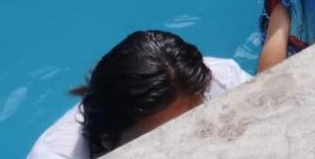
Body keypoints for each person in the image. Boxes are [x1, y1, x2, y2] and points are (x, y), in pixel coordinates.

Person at [27, 30, 250, 159]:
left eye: (195, 123)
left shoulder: (221, 82)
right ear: (108, 140)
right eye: (162, 139)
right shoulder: (55, 155)